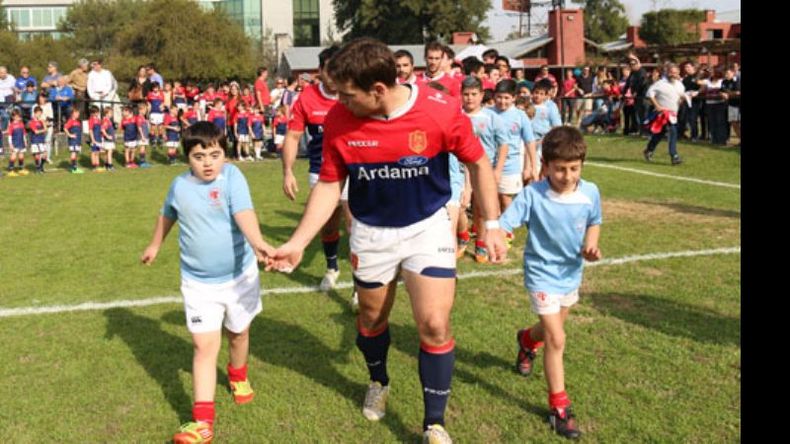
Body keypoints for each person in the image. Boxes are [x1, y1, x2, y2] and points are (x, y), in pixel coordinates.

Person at [267, 37, 507, 444]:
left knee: (433, 323)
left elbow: (478, 162)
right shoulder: (341, 121)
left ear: (378, 90)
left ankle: (434, 423)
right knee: (371, 321)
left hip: (426, 227)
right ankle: (378, 380)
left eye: (347, 93)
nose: (339, 101)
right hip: (371, 232)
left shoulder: (438, 111)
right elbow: (329, 186)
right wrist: (297, 242)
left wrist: (493, 222)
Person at [140, 121, 274, 444]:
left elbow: (244, 213)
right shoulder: (179, 185)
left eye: (215, 154)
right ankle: (203, 424)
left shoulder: (233, 177)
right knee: (203, 347)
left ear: (225, 154)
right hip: (198, 283)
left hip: (239, 277)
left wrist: (259, 245)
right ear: (187, 157)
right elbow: (167, 213)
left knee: (239, 333)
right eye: (199, 156)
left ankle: (237, 375)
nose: (208, 162)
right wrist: (155, 244)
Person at [500, 126, 601, 441]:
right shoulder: (533, 194)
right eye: (560, 168)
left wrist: (591, 246)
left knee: (548, 332)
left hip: (571, 274)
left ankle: (527, 341)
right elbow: (506, 222)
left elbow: (595, 221)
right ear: (545, 165)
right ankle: (559, 408)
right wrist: (501, 236)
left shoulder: (590, 192)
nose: (567, 175)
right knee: (557, 339)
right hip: (541, 273)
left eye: (574, 168)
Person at [281, 45, 345, 292]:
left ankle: (359, 286)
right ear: (320, 71)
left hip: (353, 170)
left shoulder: (353, 93)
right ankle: (332, 269)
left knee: (354, 225)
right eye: (330, 70)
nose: (335, 76)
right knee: (328, 225)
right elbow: (292, 137)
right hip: (321, 171)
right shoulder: (307, 98)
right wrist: (287, 171)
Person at [461, 76, 508, 263]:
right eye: (466, 94)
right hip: (458, 170)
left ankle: (480, 243)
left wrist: (497, 170)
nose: (469, 98)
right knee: (461, 206)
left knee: (481, 208)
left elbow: (503, 145)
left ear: (481, 95)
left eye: (474, 94)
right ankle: (461, 235)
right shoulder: (457, 115)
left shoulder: (491, 117)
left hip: (483, 170)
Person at [489, 79, 537, 224]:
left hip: (511, 166)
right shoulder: (487, 113)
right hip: (488, 164)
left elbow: (530, 141)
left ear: (514, 98)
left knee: (505, 199)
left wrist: (533, 166)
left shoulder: (520, 116)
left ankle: (507, 231)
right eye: (499, 97)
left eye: (506, 98)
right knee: (490, 199)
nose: (502, 101)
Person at [642, 64, 685, 165]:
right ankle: (674, 155)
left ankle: (649, 150)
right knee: (673, 132)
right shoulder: (660, 83)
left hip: (673, 113)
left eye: (675, 73)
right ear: (667, 72)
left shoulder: (680, 84)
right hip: (663, 113)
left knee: (659, 134)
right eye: (671, 72)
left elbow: (681, 96)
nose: (673, 75)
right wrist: (657, 105)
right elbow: (649, 94)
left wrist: (682, 100)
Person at [530, 81, 563, 176]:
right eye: (536, 93)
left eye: (541, 94)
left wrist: (544, 140)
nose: (538, 96)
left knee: (540, 169)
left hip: (542, 142)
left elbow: (556, 126)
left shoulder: (551, 106)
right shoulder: (528, 104)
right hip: (528, 141)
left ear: (546, 95)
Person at [6, 109, 28, 176]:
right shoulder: (11, 125)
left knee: (21, 156)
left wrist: (25, 141)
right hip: (15, 143)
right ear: (13, 117)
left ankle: (21, 169)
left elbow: (24, 134)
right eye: (16, 116)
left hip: (21, 142)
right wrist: (10, 144)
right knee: (13, 156)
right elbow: (9, 136)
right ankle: (10, 170)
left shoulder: (21, 124)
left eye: (19, 116)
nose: (18, 117)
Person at [29, 106, 49, 174]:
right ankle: (38, 168)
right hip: (35, 140)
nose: (39, 114)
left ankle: (41, 167)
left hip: (41, 140)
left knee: (45, 155)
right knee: (37, 155)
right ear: (34, 113)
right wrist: (44, 129)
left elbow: (46, 130)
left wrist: (43, 122)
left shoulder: (41, 121)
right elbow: (36, 132)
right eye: (38, 113)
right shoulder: (32, 122)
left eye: (40, 113)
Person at [64, 108, 84, 173]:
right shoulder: (71, 121)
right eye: (76, 113)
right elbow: (65, 128)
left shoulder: (78, 121)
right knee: (73, 153)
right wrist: (70, 135)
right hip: (73, 141)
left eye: (78, 113)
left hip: (77, 141)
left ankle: (74, 167)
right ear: (72, 114)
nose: (78, 114)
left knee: (75, 154)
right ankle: (74, 169)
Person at [88, 105, 104, 172]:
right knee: (93, 152)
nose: (97, 113)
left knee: (97, 153)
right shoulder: (91, 120)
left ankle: (97, 166)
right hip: (94, 139)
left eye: (98, 112)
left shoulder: (98, 120)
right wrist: (93, 139)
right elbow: (90, 130)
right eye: (96, 112)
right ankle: (94, 167)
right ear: (93, 113)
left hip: (99, 139)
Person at [100, 106, 117, 171]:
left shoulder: (108, 120)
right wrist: (107, 136)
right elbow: (102, 129)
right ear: (107, 113)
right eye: (110, 113)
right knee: (109, 152)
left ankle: (106, 165)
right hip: (108, 140)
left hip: (109, 140)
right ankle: (110, 166)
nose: (111, 114)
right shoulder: (106, 120)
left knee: (107, 152)